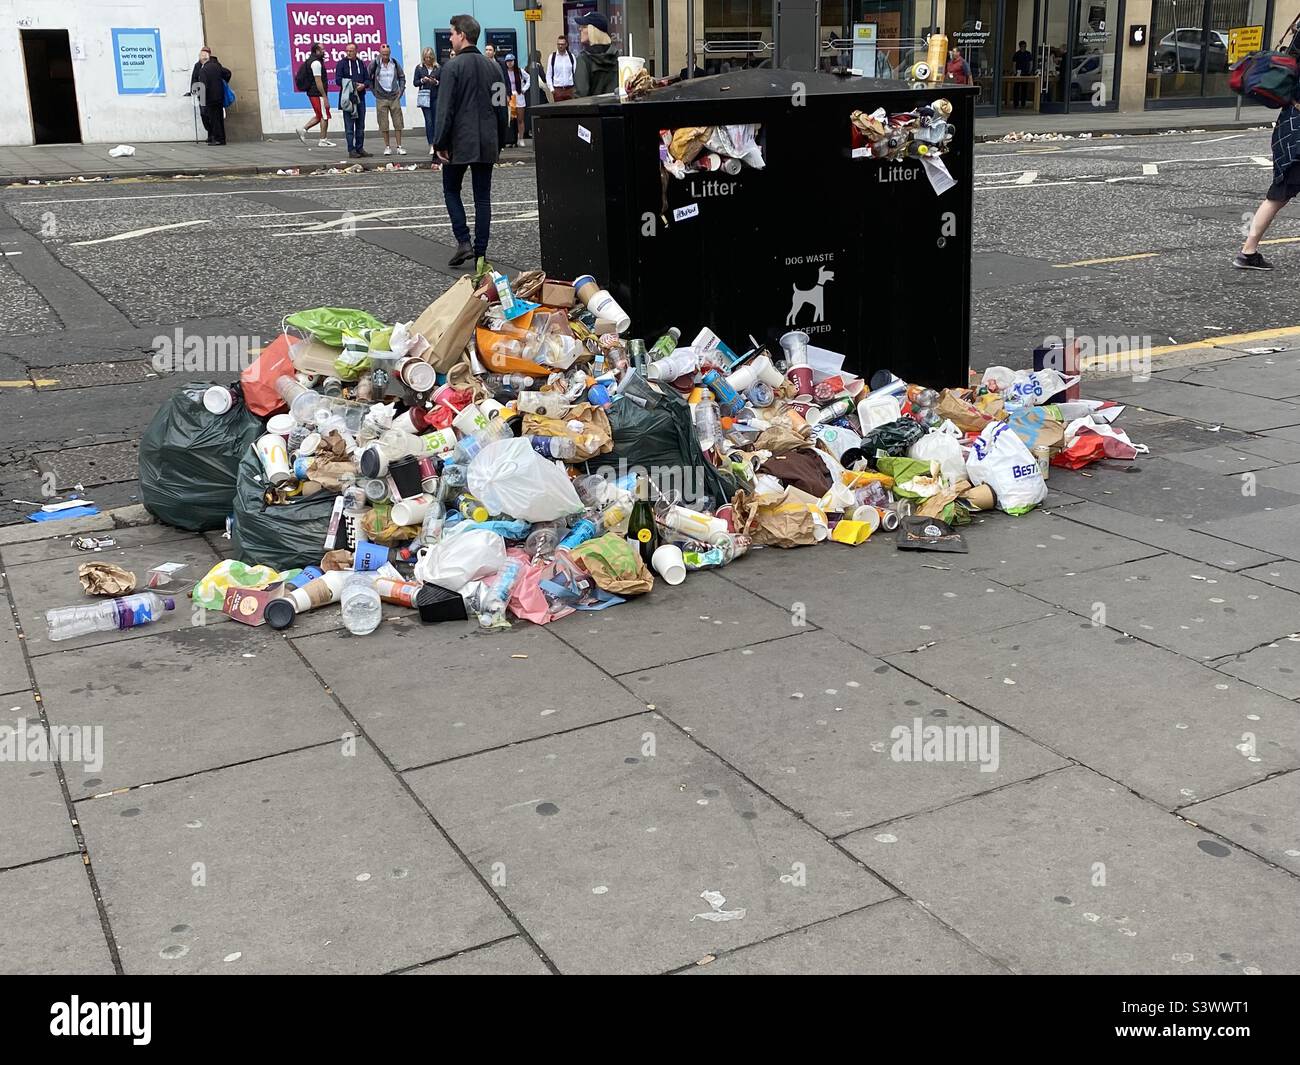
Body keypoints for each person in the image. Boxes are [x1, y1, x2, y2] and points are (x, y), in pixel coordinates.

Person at [434, 14, 509, 269]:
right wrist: (501, 139)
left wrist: (439, 143)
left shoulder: (451, 68)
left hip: (458, 142)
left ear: (462, 35)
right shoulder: (495, 67)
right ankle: (480, 253)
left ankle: (463, 240)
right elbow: (501, 107)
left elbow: (445, 109)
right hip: (487, 141)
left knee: (451, 190)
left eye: (452, 34)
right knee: (482, 198)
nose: (450, 38)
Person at [1236, 100, 1300, 270]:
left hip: (1287, 131)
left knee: (1278, 195)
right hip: (1297, 139)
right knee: (1277, 197)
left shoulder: (1292, 73)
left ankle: (1248, 252)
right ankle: (1247, 251)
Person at [370, 42, 407, 155]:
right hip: (381, 97)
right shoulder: (375, 64)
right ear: (380, 53)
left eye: (387, 54)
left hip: (394, 96)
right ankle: (387, 146)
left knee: (398, 122)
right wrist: (374, 91)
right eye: (383, 54)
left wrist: (400, 91)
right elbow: (369, 77)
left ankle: (399, 146)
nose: (385, 56)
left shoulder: (394, 63)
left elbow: (401, 77)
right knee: (383, 123)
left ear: (390, 53)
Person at [295, 42, 335, 147]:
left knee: (319, 116)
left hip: (314, 93)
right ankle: (323, 140)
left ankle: (302, 130)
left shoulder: (312, 61)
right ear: (316, 51)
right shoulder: (316, 63)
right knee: (325, 116)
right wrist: (324, 96)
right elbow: (318, 81)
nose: (324, 51)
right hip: (317, 94)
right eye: (322, 49)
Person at [336, 43, 372, 158]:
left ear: (356, 51)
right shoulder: (341, 64)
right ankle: (351, 149)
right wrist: (351, 84)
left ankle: (360, 148)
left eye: (351, 51)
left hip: (360, 98)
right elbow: (338, 80)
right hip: (348, 99)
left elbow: (368, 79)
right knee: (349, 126)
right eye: (347, 51)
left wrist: (363, 85)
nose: (349, 53)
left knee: (360, 126)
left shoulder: (361, 63)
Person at [574, 12, 619, 97]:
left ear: (593, 30)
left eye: (584, 27)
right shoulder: (616, 57)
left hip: (593, 109)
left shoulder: (584, 59)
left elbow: (580, 96)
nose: (580, 29)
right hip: (615, 108)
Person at [197, 52, 231, 145]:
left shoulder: (203, 70)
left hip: (210, 98)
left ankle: (217, 139)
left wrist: (201, 98)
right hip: (219, 96)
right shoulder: (217, 66)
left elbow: (203, 86)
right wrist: (224, 82)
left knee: (213, 119)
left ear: (201, 60)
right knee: (219, 119)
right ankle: (222, 139)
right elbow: (228, 73)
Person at [413, 47, 441, 159]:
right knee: (429, 121)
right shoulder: (419, 68)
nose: (428, 59)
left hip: (435, 96)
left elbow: (442, 81)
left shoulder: (438, 67)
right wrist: (422, 80)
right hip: (425, 96)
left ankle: (436, 143)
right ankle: (431, 144)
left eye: (430, 57)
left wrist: (435, 82)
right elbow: (415, 82)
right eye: (426, 58)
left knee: (435, 121)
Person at [503, 54, 529, 145]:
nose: (509, 63)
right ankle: (511, 139)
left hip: (519, 95)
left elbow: (529, 78)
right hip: (509, 96)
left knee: (520, 119)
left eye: (511, 61)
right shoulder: (504, 72)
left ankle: (521, 138)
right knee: (510, 118)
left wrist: (524, 89)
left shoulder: (519, 71)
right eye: (507, 61)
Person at [547, 33, 577, 101]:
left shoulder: (571, 56)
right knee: (558, 111)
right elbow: (548, 74)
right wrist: (552, 89)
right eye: (558, 44)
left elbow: (576, 73)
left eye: (562, 44)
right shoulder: (552, 57)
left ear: (566, 45)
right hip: (558, 90)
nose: (560, 46)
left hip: (570, 90)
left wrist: (575, 89)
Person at [1012, 40, 1034, 108]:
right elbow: (1014, 64)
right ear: (1020, 47)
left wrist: (1030, 71)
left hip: (1026, 73)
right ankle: (1016, 103)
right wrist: (1015, 72)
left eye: (1025, 46)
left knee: (1024, 88)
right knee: (1016, 88)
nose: (1023, 47)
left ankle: (1023, 103)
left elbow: (1031, 63)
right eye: (1022, 46)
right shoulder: (1017, 54)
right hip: (1018, 73)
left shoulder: (1028, 53)